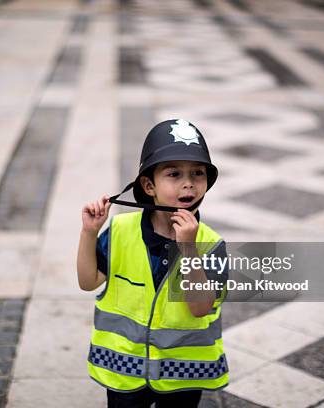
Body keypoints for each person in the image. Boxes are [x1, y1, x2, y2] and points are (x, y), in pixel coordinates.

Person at [77, 119, 229, 408]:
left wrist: (188, 248)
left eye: (198, 173)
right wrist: (89, 232)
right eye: (174, 174)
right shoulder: (121, 231)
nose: (188, 183)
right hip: (125, 370)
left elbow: (199, 308)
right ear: (149, 185)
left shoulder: (211, 244)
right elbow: (88, 281)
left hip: (183, 374)